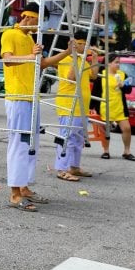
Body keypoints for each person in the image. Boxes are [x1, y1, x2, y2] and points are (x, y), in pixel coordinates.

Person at [0, 2, 73, 211]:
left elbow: (41, 63)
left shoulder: (30, 37)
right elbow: (8, 60)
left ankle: (24, 188)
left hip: (32, 98)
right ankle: (14, 193)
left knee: (32, 145)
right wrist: (31, 56)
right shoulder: (10, 34)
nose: (39, 26)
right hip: (17, 98)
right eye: (39, 21)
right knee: (19, 145)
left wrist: (67, 52)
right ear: (28, 17)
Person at [54, 31, 100, 181]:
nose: (85, 46)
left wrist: (93, 58)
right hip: (68, 105)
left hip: (82, 106)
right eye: (82, 44)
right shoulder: (65, 59)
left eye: (86, 44)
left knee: (78, 139)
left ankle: (74, 167)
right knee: (67, 137)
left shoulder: (83, 61)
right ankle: (61, 169)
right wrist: (73, 54)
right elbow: (71, 78)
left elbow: (93, 75)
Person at [91, 56, 135, 161]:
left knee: (127, 128)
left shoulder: (122, 74)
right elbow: (95, 91)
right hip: (105, 107)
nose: (118, 64)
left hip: (119, 107)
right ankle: (106, 151)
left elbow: (129, 90)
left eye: (119, 62)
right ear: (108, 63)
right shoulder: (101, 75)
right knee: (106, 130)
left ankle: (127, 151)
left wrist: (123, 86)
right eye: (116, 62)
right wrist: (92, 107)